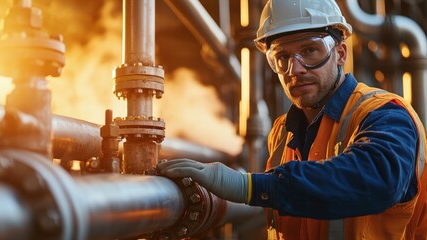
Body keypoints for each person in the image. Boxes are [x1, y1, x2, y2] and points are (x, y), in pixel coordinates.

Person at [157, 0, 427, 239]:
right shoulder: (281, 133)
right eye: (282, 58)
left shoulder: (385, 113)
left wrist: (249, 186)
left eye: (310, 51)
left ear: (341, 53)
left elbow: (377, 179)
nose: (294, 69)